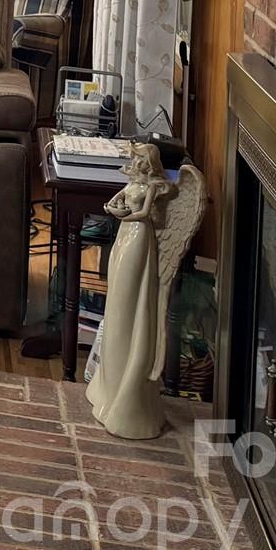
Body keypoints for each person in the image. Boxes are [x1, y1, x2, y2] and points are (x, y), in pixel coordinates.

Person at [86, 145, 175, 440]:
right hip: (124, 235)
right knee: (116, 305)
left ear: (148, 161)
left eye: (139, 158)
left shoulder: (152, 186)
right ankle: (108, 387)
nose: (134, 161)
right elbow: (115, 202)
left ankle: (128, 398)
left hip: (138, 239)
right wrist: (113, 210)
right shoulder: (133, 183)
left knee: (129, 303)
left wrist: (123, 215)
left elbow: (146, 213)